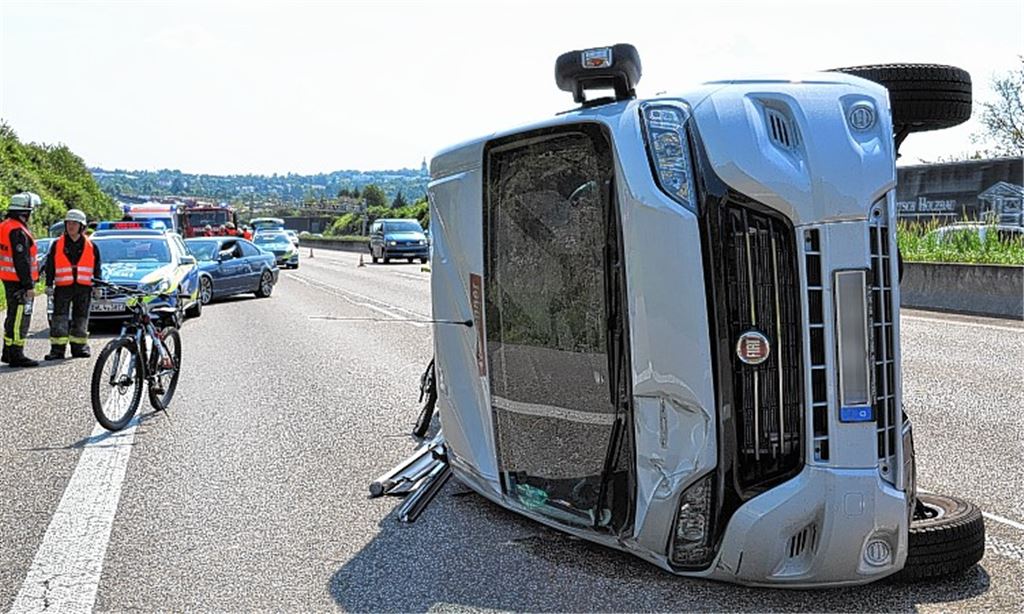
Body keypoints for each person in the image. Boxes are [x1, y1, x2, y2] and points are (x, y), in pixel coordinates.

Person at [44, 209, 100, 360]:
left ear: (82, 226)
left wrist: (97, 286)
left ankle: (79, 347)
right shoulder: (57, 244)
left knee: (81, 318)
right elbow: (50, 265)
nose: (71, 226)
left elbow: (97, 267)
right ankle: (57, 350)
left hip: (83, 288)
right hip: (63, 287)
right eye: (68, 223)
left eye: (74, 223)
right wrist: (48, 284)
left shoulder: (91, 246)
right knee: (59, 318)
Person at [0, 192, 42, 367]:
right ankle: (17, 354)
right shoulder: (18, 231)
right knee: (19, 318)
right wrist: (28, 285)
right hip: (19, 283)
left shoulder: (5, 226)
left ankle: (8, 352)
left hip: (8, 279)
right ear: (25, 212)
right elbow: (22, 260)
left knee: (12, 317)